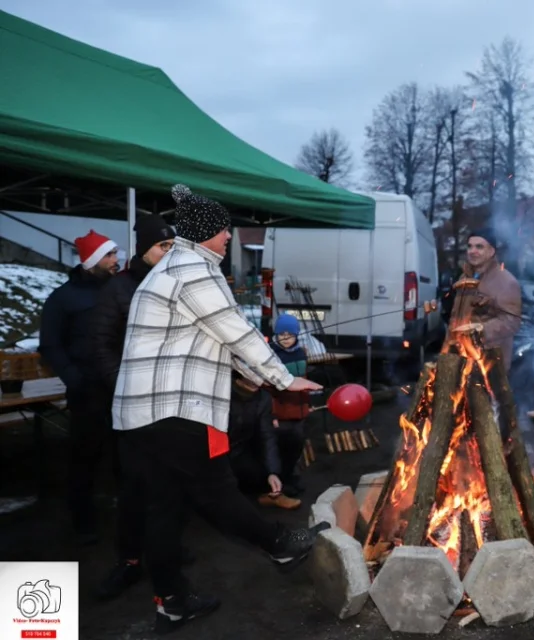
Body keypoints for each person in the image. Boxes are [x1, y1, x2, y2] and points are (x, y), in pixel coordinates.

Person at [111, 184, 325, 634]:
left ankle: (172, 600)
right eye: (223, 229)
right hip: (173, 410)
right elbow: (236, 331)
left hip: (141, 415)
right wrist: (283, 378)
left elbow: (204, 338)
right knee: (214, 488)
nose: (229, 236)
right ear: (204, 233)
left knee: (165, 506)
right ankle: (280, 543)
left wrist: (248, 369)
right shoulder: (194, 269)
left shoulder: (173, 266)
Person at [88, 215, 180, 600]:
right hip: (132, 405)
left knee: (170, 485)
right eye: (163, 246)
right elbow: (101, 345)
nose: (169, 253)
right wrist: (124, 386)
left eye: (173, 247)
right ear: (145, 248)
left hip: (170, 403)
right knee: (134, 487)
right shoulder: (119, 289)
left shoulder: (173, 286)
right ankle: (129, 561)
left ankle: (164, 553)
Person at [38, 229, 120, 544]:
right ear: (92, 261)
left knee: (125, 455)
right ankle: (82, 520)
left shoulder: (118, 290)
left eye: (115, 254)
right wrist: (74, 378)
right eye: (109, 255)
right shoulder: (63, 298)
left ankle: (127, 513)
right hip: (87, 391)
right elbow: (51, 345)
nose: (116, 260)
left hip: (120, 387)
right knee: (85, 457)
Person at [446, 228, 522, 370]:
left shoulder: (506, 281)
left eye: (479, 247)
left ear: (491, 251)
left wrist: (477, 332)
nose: (472, 251)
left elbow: (512, 322)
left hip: (489, 364)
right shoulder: (464, 278)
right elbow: (455, 317)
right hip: (461, 359)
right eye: (470, 246)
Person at [228, 372, 300, 509]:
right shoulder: (223, 393)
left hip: (247, 444)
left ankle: (275, 488)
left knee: (290, 437)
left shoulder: (263, 397)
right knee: (246, 471)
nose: (257, 379)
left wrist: (273, 472)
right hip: (225, 449)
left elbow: (266, 435)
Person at [267, 312, 311, 497]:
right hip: (281, 411)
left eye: (290, 334)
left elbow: (303, 381)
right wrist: (272, 414)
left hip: (298, 410)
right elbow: (268, 390)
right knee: (283, 446)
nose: (286, 338)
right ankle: (282, 482)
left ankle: (291, 476)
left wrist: (306, 405)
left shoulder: (301, 353)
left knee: (297, 445)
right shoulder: (272, 356)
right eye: (282, 334)